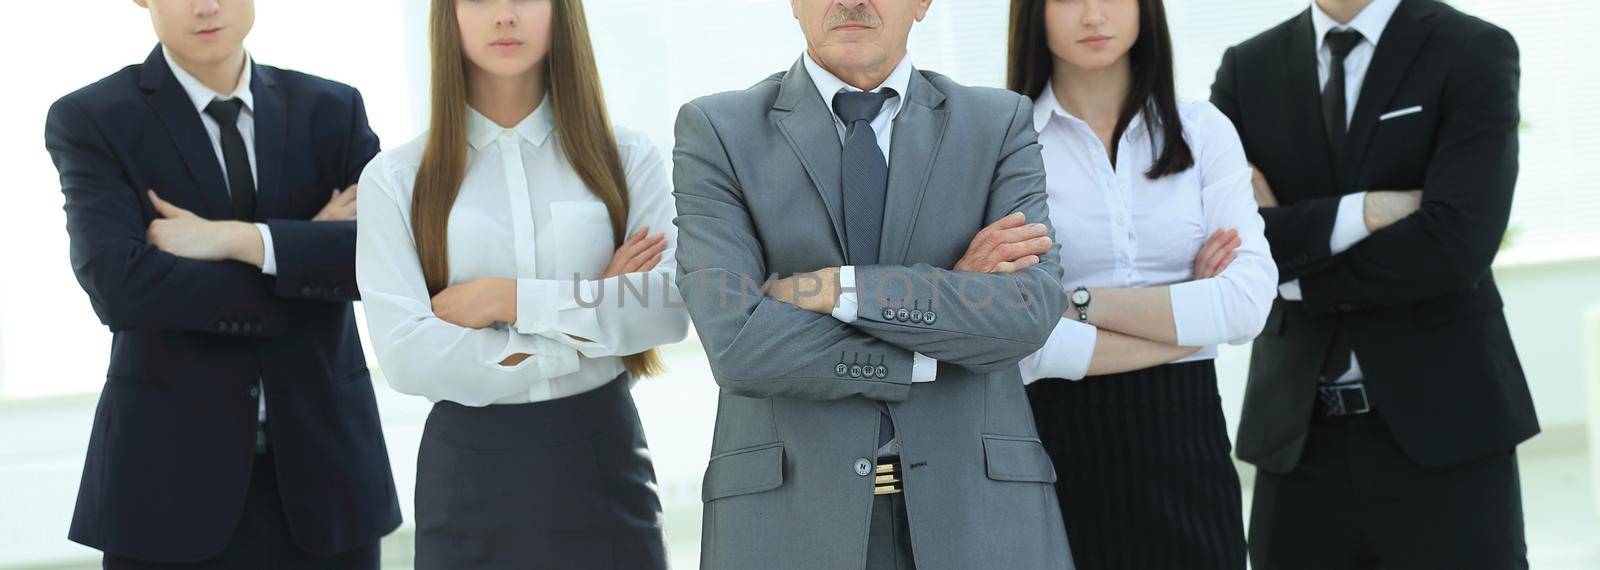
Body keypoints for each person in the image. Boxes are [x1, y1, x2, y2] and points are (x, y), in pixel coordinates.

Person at [673, 0, 1075, 568]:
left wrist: (841, 289)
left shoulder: (997, 122)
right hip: (787, 522)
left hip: (980, 517)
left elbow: (1026, 313)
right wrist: (935, 334)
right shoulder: (717, 131)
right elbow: (739, 347)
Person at [43, 0, 401, 567]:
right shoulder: (94, 119)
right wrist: (304, 251)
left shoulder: (333, 110)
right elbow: (121, 287)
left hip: (327, 483)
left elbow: (388, 264)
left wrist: (235, 240)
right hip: (167, 486)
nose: (207, 5)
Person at [355, 0, 688, 567]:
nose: (505, 16)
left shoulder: (626, 156)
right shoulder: (396, 179)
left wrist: (503, 299)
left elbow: (666, 310)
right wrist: (591, 315)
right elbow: (409, 356)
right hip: (469, 473)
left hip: (603, 459)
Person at [1210, 0, 1537, 567]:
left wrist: (1292, 276)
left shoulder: (1472, 49)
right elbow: (1220, 236)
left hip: (1448, 433)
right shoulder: (1247, 67)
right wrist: (1366, 212)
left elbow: (1454, 243)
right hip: (1296, 442)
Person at [1005, 0, 1278, 567]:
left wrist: (1073, 302)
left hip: (1190, 439)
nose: (1092, 14)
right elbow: (1020, 339)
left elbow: (1247, 304)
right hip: (1056, 440)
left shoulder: (1203, 130)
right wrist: (1191, 319)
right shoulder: (1004, 144)